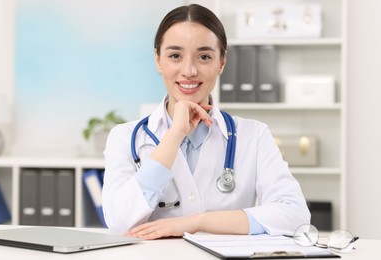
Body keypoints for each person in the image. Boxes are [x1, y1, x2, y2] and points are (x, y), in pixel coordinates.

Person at [102, 4, 310, 240]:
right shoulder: (124, 136)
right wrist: (174, 136)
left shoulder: (254, 135)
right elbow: (118, 221)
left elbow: (295, 215)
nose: (189, 70)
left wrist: (195, 223)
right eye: (175, 56)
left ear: (221, 62)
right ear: (158, 60)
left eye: (204, 56)